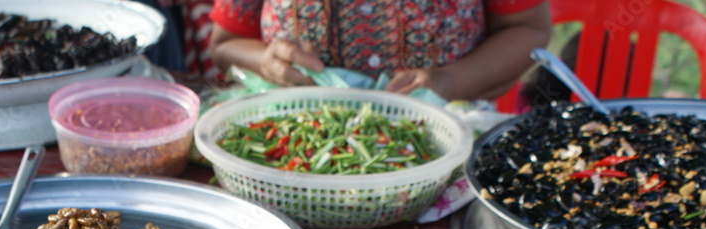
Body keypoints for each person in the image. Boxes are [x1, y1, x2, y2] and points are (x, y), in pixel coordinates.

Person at [208, 0, 553, 102]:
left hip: (447, 146)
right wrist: (268, 62)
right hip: (286, 147)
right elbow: (224, 44)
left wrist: (449, 82)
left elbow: (528, 29)